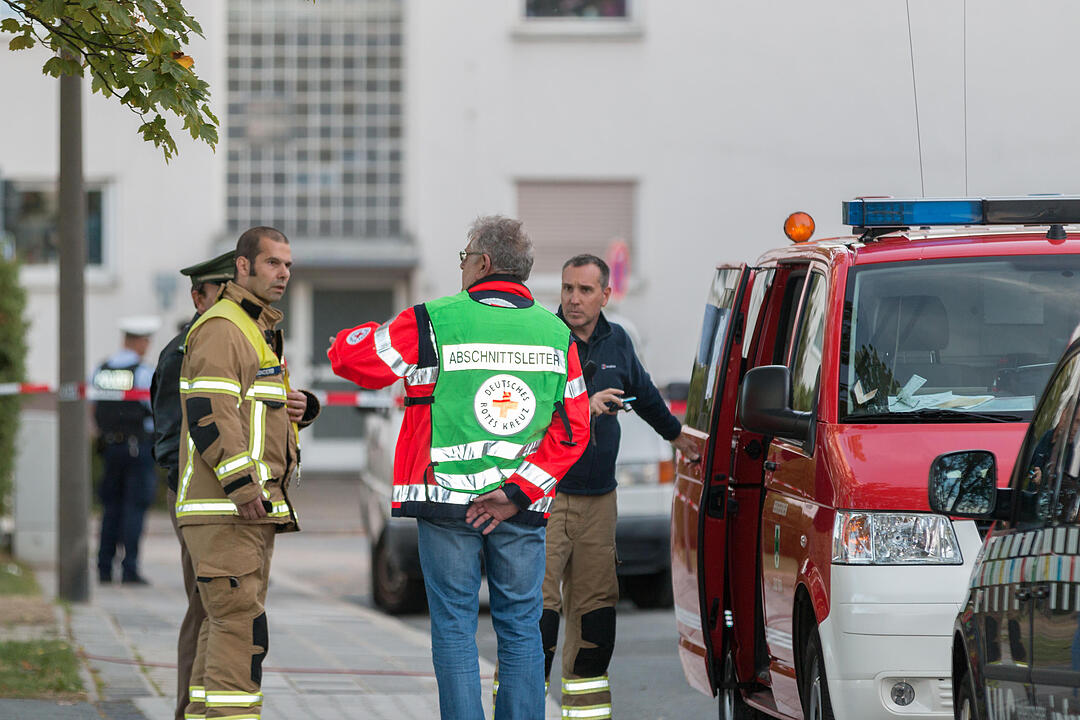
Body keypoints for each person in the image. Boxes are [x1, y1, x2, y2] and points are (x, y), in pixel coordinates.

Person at [328, 216, 590, 720]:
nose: (462, 266)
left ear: (484, 263)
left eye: (464, 257)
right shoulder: (556, 334)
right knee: (519, 627)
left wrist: (348, 335)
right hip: (519, 510)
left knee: (453, 627)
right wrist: (516, 493)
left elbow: (354, 360)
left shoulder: (433, 319)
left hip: (446, 503)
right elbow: (573, 429)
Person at [544, 254, 699, 718]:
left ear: (604, 295)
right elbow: (523, 412)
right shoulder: (543, 341)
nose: (574, 298)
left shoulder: (619, 342)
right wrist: (584, 406)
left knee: (596, 622)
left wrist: (678, 438)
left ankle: (585, 716)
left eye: (585, 290)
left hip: (599, 502)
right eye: (568, 288)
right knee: (537, 620)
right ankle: (520, 709)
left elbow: (646, 395)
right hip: (545, 499)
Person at [177, 227, 320, 720]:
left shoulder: (254, 328)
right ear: (243, 266)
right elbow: (211, 413)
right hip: (227, 508)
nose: (283, 273)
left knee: (224, 628)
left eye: (287, 265)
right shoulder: (224, 327)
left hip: (245, 510)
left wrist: (301, 406)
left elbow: (253, 411)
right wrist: (242, 486)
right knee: (241, 633)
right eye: (272, 263)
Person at [149, 250, 234, 720]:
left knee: (229, 612)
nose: (226, 300)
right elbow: (167, 436)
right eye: (218, 292)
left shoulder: (247, 340)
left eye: (231, 290)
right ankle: (188, 709)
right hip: (198, 498)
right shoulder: (182, 350)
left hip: (242, 498)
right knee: (205, 609)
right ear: (197, 297)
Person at [92, 314, 161, 585]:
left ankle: (103, 567)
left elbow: (93, 408)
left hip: (109, 448)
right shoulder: (144, 373)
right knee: (134, 507)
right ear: (141, 342)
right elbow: (156, 409)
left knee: (111, 507)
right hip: (137, 448)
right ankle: (130, 568)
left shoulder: (102, 369)